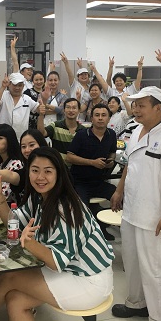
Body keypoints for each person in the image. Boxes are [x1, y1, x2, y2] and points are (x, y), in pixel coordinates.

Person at [0, 147, 114, 321]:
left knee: (9, 277)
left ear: (59, 174)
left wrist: (28, 242)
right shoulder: (39, 196)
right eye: (35, 170)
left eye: (48, 171)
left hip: (89, 280)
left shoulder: (66, 209)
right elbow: (13, 223)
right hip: (70, 270)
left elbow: (56, 262)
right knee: (15, 300)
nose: (40, 177)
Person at [110, 86, 161, 320]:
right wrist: (119, 191)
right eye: (134, 105)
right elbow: (129, 164)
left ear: (158, 108)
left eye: (141, 106)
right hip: (132, 209)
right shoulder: (136, 131)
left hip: (154, 216)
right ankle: (137, 303)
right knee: (132, 262)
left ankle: (160, 317)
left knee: (154, 270)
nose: (135, 109)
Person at [66, 103, 117, 240]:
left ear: (109, 118)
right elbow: (69, 157)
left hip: (100, 182)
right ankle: (85, 236)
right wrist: (92, 162)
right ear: (91, 118)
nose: (100, 118)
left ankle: (102, 227)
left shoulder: (111, 134)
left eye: (104, 115)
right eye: (97, 115)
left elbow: (112, 152)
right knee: (81, 210)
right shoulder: (82, 135)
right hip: (80, 182)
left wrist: (111, 161)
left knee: (120, 197)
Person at [0, 73, 40, 140]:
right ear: (9, 84)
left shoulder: (27, 99)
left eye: (20, 85)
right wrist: (3, 87)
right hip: (3, 136)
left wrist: (44, 100)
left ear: (23, 86)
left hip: (20, 137)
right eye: (14, 85)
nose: (17, 88)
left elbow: (39, 109)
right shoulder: (3, 95)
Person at [37, 97, 85, 163]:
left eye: (74, 108)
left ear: (79, 110)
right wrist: (41, 115)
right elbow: (41, 133)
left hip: (77, 167)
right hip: (58, 166)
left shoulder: (83, 131)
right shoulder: (56, 125)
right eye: (68, 107)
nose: (71, 110)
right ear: (64, 110)